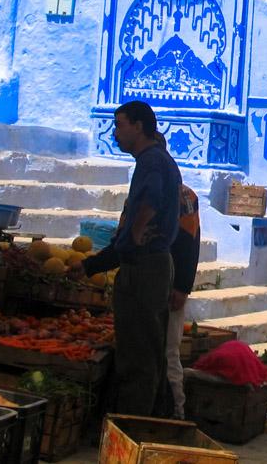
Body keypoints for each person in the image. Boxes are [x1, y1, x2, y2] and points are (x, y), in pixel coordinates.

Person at [69, 100, 181, 417]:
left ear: (139, 126)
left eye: (119, 124)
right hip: (149, 266)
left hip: (144, 270)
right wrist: (91, 265)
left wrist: (136, 231)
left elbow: (152, 199)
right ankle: (147, 423)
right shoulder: (154, 159)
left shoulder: (152, 162)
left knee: (138, 358)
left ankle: (132, 428)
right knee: (146, 352)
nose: (114, 132)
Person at [165, 184, 201, 420]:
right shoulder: (142, 185)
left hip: (169, 286)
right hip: (141, 284)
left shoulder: (184, 196)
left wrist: (182, 286)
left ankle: (176, 412)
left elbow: (190, 242)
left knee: (168, 351)